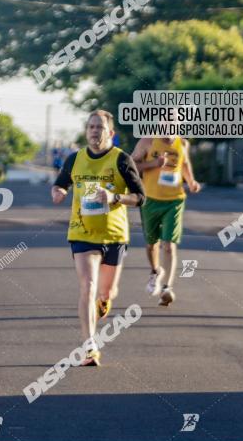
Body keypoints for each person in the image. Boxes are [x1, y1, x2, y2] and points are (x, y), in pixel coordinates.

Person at [51, 111, 145, 366]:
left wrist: (115, 198)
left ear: (110, 133)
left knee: (105, 291)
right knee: (87, 286)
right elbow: (60, 184)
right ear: (86, 131)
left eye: (100, 127)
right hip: (82, 233)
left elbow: (140, 197)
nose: (94, 131)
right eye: (91, 126)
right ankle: (89, 345)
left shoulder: (121, 160)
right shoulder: (74, 159)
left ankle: (104, 301)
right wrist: (58, 191)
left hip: (114, 234)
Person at [131, 132, 201, 306]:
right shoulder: (147, 142)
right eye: (165, 121)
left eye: (173, 122)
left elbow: (185, 164)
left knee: (169, 245)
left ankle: (166, 288)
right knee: (151, 244)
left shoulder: (182, 143)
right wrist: (153, 163)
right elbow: (131, 165)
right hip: (150, 200)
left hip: (174, 200)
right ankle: (155, 271)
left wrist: (191, 181)